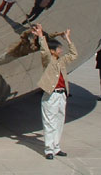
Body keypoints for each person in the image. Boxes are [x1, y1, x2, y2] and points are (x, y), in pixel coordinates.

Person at [35, 24, 77, 160]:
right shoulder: (48, 60)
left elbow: (73, 55)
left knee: (59, 121)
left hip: (61, 95)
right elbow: (44, 51)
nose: (61, 50)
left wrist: (68, 39)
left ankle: (56, 147)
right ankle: (49, 149)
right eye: (59, 48)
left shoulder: (61, 61)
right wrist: (41, 35)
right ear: (53, 51)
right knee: (49, 121)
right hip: (51, 95)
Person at [0, 26, 65, 68]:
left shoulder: (37, 45)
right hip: (15, 50)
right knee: (2, 59)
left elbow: (49, 37)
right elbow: (25, 34)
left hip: (18, 53)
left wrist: (58, 34)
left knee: (3, 59)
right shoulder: (34, 43)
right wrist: (31, 32)